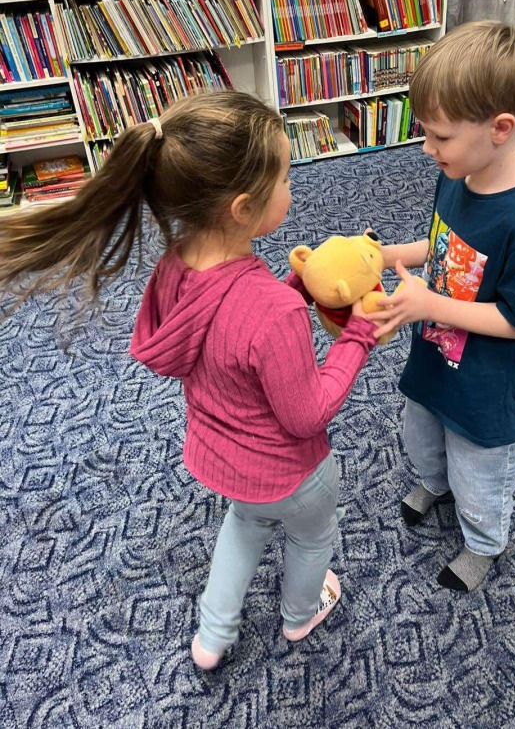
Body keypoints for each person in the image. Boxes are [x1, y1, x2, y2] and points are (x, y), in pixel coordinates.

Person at [0, 90, 378, 665]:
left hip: (226, 463)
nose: (292, 188)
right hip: (293, 475)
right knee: (312, 536)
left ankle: (212, 637)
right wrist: (358, 337)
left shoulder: (175, 265)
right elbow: (307, 414)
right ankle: (302, 615)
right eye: (285, 179)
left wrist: (291, 290)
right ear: (243, 208)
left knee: (243, 526)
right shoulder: (275, 312)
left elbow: (231, 331)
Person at [367, 22, 515, 592]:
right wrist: (388, 255)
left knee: (480, 471)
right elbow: (442, 246)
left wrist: (430, 302)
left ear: (501, 129)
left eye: (440, 136)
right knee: (423, 433)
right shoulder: (459, 176)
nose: (427, 149)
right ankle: (436, 484)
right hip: (438, 356)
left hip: (488, 384)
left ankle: (484, 542)